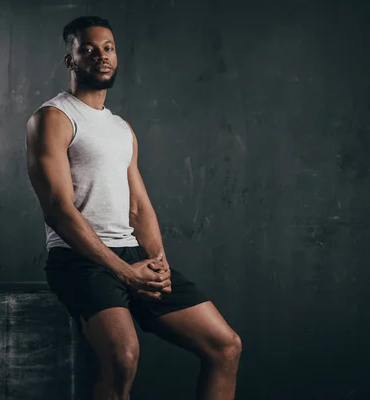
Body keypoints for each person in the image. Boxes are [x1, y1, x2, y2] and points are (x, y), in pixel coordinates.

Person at [25, 15, 242, 400]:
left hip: (132, 256)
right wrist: (125, 273)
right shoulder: (53, 118)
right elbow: (58, 209)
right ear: (70, 60)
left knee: (225, 346)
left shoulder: (121, 128)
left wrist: (156, 262)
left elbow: (138, 207)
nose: (101, 56)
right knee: (123, 359)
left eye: (108, 48)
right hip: (80, 261)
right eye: (88, 49)